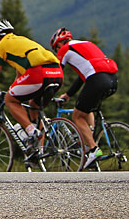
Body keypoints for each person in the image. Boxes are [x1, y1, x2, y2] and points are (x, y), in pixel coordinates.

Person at [0, 20, 64, 160]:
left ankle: (31, 131)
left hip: (39, 73)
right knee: (35, 107)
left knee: (10, 100)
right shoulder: (21, 41)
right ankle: (39, 152)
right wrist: (13, 88)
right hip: (57, 73)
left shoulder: (1, 46)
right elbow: (20, 76)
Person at [50, 27, 119, 169]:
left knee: (77, 115)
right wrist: (68, 95)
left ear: (58, 44)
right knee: (87, 109)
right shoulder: (86, 44)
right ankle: (90, 139)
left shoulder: (64, 49)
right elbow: (82, 78)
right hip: (112, 80)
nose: (57, 52)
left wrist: (48, 92)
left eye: (55, 49)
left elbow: (57, 73)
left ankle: (93, 149)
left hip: (97, 80)